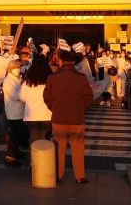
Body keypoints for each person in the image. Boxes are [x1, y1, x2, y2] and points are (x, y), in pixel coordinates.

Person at [44, 49, 93, 184]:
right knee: (78, 147)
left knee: (59, 147)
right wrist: (82, 108)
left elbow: (46, 97)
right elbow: (89, 97)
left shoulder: (52, 78)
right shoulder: (81, 78)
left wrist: (53, 108)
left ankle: (59, 174)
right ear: (72, 62)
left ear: (60, 61)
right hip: (77, 117)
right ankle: (80, 176)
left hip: (59, 117)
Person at [19, 57, 52, 142]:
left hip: (31, 115)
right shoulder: (50, 80)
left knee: (34, 141)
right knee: (45, 141)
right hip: (47, 114)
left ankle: (34, 155)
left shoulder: (28, 82)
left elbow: (22, 97)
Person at [2, 59, 26, 166]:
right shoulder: (8, 81)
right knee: (14, 135)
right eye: (18, 67)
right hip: (13, 112)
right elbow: (15, 96)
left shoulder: (16, 79)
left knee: (19, 134)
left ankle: (16, 152)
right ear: (12, 69)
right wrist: (24, 89)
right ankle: (10, 156)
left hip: (19, 111)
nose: (19, 69)